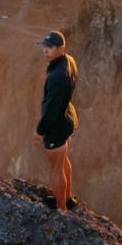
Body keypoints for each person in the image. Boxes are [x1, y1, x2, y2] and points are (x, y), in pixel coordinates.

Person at [36, 29, 78, 211]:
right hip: (67, 119)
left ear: (61, 49)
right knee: (63, 161)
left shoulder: (57, 76)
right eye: (44, 47)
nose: (45, 51)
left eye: (50, 48)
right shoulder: (68, 61)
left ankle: (61, 207)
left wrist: (40, 130)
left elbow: (51, 110)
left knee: (55, 168)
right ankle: (67, 197)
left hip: (57, 126)